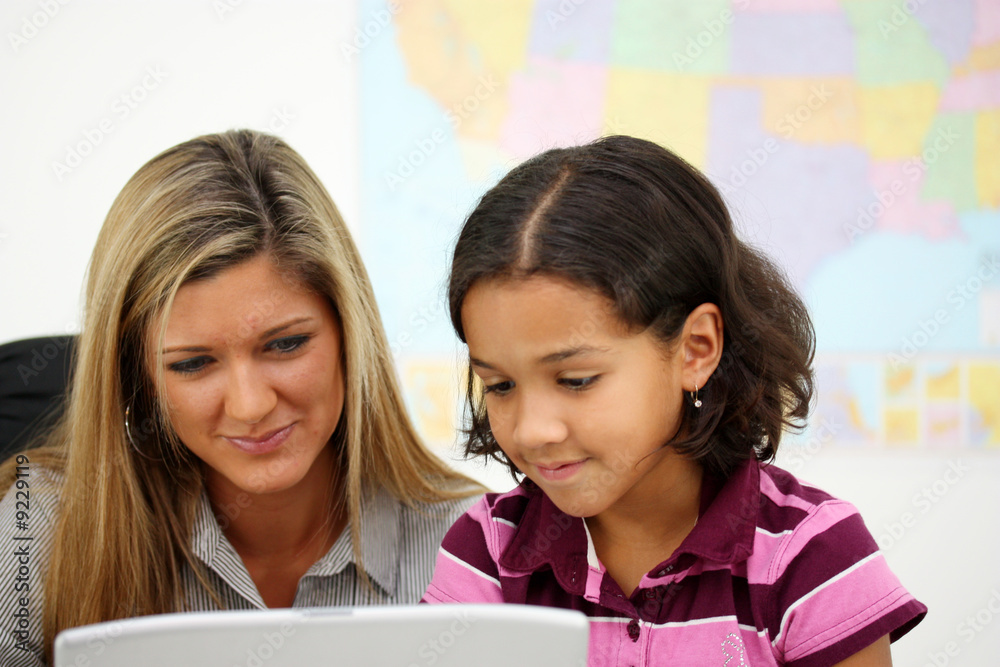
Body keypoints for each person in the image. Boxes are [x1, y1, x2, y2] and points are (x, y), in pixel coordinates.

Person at [423, 135, 926, 666]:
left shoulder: (812, 557)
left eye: (575, 380)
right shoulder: (487, 553)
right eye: (500, 386)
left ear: (695, 349)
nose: (532, 430)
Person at [0, 129, 482, 666]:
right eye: (192, 364)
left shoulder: (476, 543)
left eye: (285, 344)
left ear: (351, 335)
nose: (250, 406)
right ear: (137, 377)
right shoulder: (38, 526)